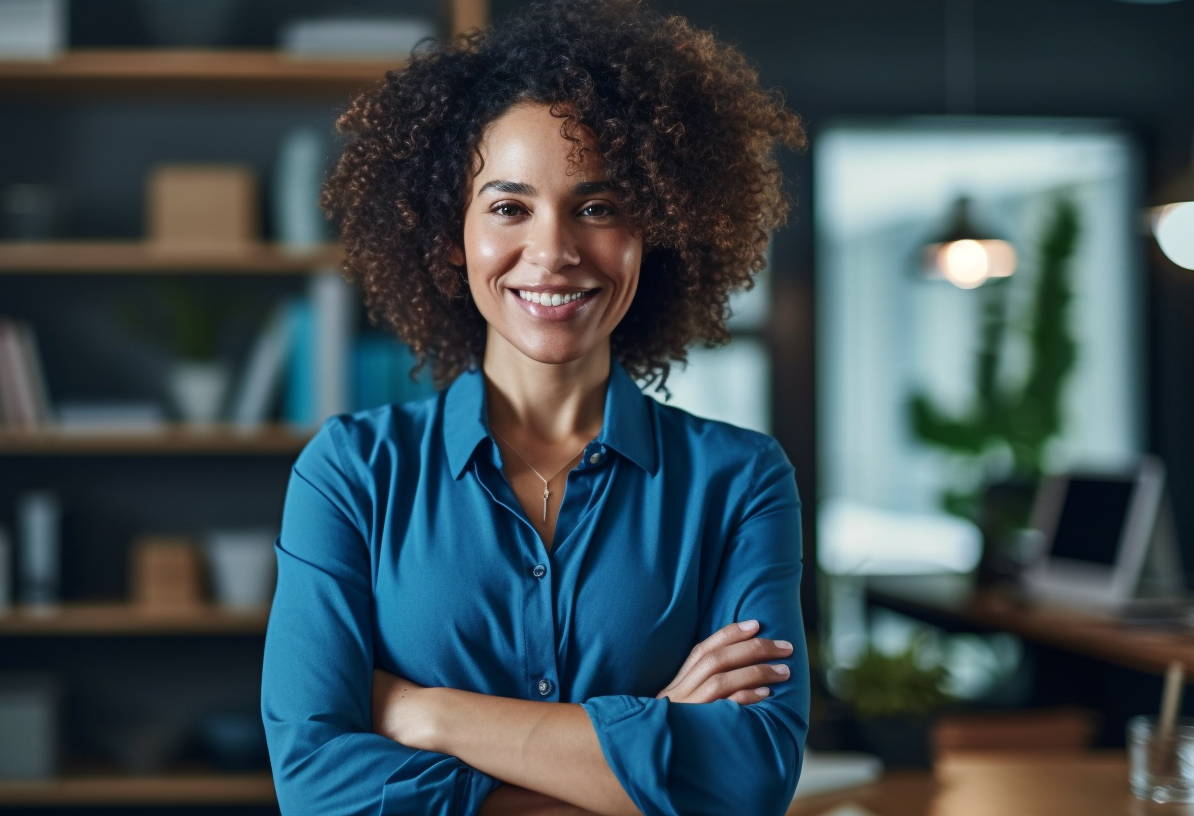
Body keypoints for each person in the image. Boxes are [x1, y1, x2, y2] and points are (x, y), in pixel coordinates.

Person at [260, 1, 808, 814]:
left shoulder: (740, 481)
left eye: (597, 207)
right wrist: (651, 749)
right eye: (509, 207)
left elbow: (748, 778)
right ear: (454, 236)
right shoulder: (351, 474)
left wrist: (423, 712)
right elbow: (314, 785)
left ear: (652, 228)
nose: (552, 252)